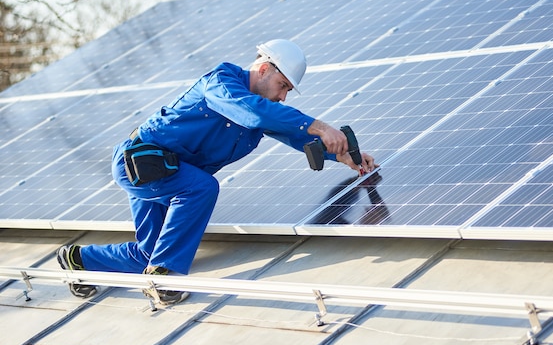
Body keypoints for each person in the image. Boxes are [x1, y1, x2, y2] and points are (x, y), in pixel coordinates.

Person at [56, 39, 378, 304]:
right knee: (201, 189)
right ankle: (165, 278)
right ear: (263, 68)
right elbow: (254, 112)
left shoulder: (259, 116)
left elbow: (294, 134)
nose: (282, 96)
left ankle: (79, 259)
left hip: (167, 173)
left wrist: (344, 157)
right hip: (140, 162)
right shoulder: (221, 82)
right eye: (282, 85)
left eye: (288, 92)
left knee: (148, 253)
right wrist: (319, 125)